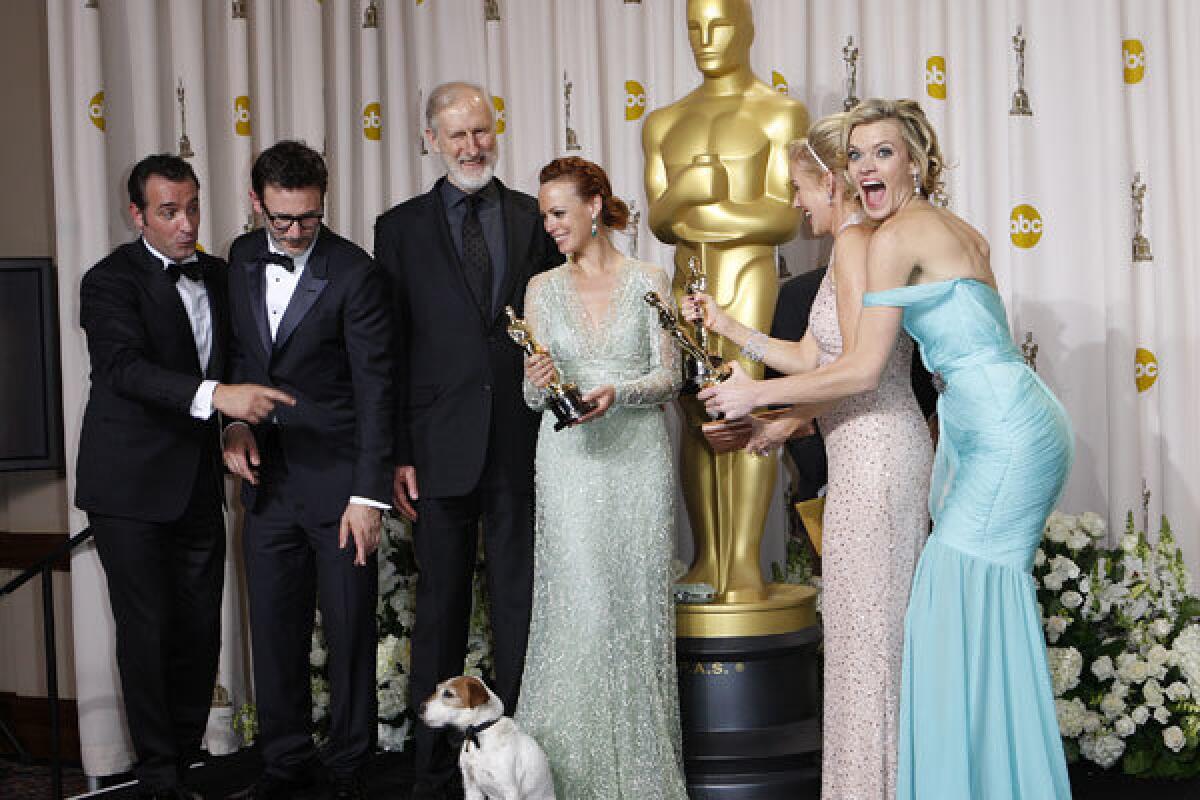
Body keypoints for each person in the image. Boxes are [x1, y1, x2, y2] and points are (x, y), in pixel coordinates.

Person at [699, 98, 1074, 799]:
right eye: (857, 155)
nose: (866, 167)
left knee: (949, 609)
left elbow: (865, 370)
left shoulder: (898, 235)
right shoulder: (935, 226)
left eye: (884, 153)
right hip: (1007, 420)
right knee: (972, 614)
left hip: (1000, 432)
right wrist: (783, 413)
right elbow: (839, 356)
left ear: (918, 162)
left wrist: (756, 398)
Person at [683, 112, 933, 799]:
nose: (794, 204)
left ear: (830, 184)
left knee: (872, 645)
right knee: (857, 641)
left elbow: (859, 370)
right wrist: (731, 329)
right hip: (858, 449)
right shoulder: (846, 250)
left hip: (878, 451)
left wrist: (753, 401)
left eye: (799, 188)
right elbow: (814, 354)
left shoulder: (857, 246)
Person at [77, 154, 292, 799]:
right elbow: (125, 371)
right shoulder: (107, 282)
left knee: (200, 630)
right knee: (147, 631)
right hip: (129, 489)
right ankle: (158, 777)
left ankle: (188, 761)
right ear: (137, 214)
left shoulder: (222, 276)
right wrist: (219, 397)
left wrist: (234, 427)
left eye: (193, 207)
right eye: (169, 211)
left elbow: (232, 360)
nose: (186, 223)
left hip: (198, 483)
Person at [373, 82, 563, 799]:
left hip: (521, 441)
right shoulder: (398, 228)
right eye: (457, 135)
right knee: (440, 612)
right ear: (430, 139)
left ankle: (519, 763)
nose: (472, 147)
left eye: (482, 132)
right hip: (436, 446)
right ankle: (430, 774)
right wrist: (397, 451)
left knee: (519, 608)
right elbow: (387, 349)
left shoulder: (531, 218)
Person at [222, 141, 393, 800]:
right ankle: (284, 760)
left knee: (349, 630)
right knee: (272, 628)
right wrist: (232, 425)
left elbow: (377, 389)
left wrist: (367, 496)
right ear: (256, 202)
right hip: (266, 484)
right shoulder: (240, 258)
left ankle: (350, 766)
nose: (294, 233)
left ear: (325, 203)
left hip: (339, 484)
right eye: (282, 221)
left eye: (309, 219)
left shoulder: (355, 272)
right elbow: (238, 355)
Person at [513, 156, 687, 799]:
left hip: (637, 459)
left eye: (559, 213)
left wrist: (623, 392)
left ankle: (640, 778)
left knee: (634, 610)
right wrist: (536, 384)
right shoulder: (540, 288)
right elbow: (534, 399)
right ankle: (567, 779)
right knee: (578, 609)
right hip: (567, 466)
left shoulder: (650, 279)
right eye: (545, 216)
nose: (551, 226)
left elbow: (670, 378)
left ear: (595, 206)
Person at [642, 0, 808, 603]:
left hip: (748, 272)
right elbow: (662, 220)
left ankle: (742, 563)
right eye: (695, 29)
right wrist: (685, 190)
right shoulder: (664, 121)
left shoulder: (779, 112)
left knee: (746, 402)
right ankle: (705, 556)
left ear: (747, 28)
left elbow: (786, 216)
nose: (707, 39)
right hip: (686, 274)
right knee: (692, 414)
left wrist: (708, 204)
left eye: (719, 26)